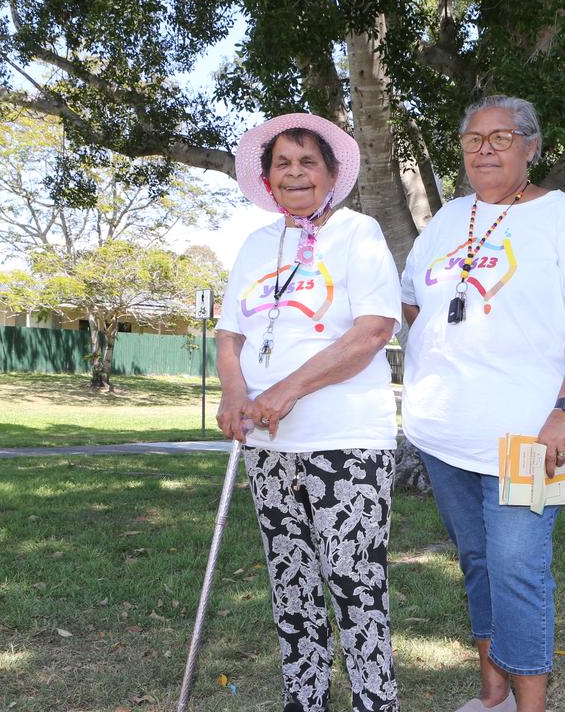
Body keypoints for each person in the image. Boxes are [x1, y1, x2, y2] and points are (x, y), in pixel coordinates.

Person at [400, 96, 565, 712]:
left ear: (531, 148)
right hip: (442, 433)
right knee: (477, 562)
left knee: (518, 571)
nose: (485, 149)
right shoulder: (447, 220)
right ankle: (492, 697)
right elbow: (408, 307)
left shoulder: (563, 217)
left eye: (501, 137)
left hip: (531, 437)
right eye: (474, 139)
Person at [215, 112, 401, 712]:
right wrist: (233, 393)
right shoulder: (253, 244)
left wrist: (286, 390)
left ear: (329, 173)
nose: (294, 173)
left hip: (347, 442)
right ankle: (306, 700)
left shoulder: (360, 233)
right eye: (282, 164)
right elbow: (229, 336)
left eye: (307, 162)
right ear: (268, 180)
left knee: (355, 587)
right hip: (269, 448)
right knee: (290, 585)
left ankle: (376, 703)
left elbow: (372, 332)